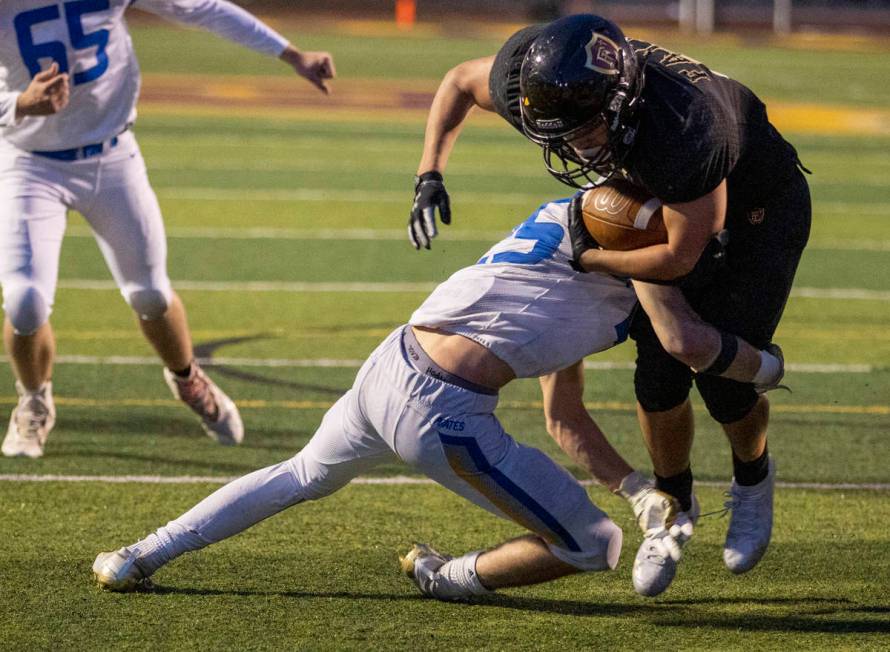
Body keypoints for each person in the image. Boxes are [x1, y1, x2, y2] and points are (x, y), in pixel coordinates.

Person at [93, 194, 778, 598]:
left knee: (298, 474)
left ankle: (139, 556)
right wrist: (765, 367)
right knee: (591, 546)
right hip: (442, 413)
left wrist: (634, 486)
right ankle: (442, 575)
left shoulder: (565, 232)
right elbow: (685, 337)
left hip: (389, 364)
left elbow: (562, 415)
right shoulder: (636, 266)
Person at [406, 14, 809, 597]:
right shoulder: (537, 77)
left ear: (621, 101)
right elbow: (457, 83)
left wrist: (594, 259)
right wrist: (429, 174)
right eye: (559, 133)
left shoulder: (684, 128)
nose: (573, 148)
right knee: (657, 378)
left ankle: (753, 477)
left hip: (754, 211)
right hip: (659, 197)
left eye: (585, 132)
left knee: (720, 379)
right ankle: (673, 505)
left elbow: (679, 253)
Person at [0, 0, 336, 458]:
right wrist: (18, 103)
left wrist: (290, 53)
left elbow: (204, 9)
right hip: (30, 163)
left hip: (113, 155)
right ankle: (34, 399)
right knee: (25, 301)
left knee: (150, 294)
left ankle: (187, 378)